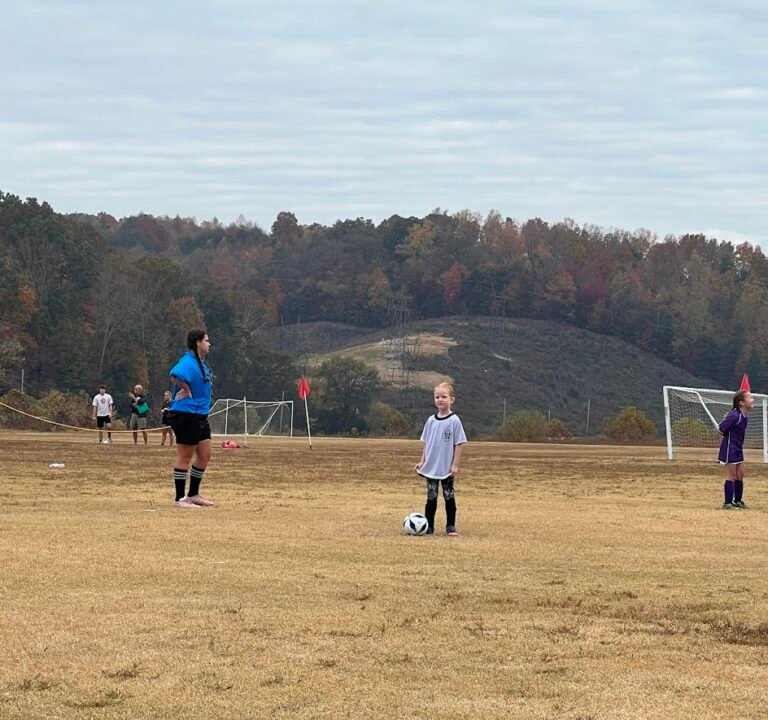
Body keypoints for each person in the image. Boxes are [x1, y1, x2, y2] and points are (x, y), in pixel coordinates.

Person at [167, 330, 215, 508]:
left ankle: (193, 494)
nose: (209, 344)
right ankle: (180, 499)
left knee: (204, 455)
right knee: (185, 456)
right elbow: (175, 374)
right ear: (197, 343)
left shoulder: (201, 362)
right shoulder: (188, 361)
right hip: (186, 414)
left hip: (200, 415)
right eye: (207, 341)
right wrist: (185, 389)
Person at [414, 381, 467, 536]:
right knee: (431, 497)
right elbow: (426, 443)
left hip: (446, 468)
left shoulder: (454, 421)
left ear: (452, 399)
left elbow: (458, 444)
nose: (440, 399)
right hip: (431, 467)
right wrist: (422, 461)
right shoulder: (431, 421)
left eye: (444, 396)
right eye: (437, 397)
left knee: (449, 496)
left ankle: (450, 526)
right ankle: (428, 526)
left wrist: (455, 465)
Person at [718, 389, 754, 509]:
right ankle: (728, 503)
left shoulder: (744, 417)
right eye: (750, 398)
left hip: (738, 448)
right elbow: (722, 429)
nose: (753, 400)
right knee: (731, 474)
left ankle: (738, 501)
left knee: (740, 474)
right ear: (742, 403)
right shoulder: (734, 416)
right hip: (730, 448)